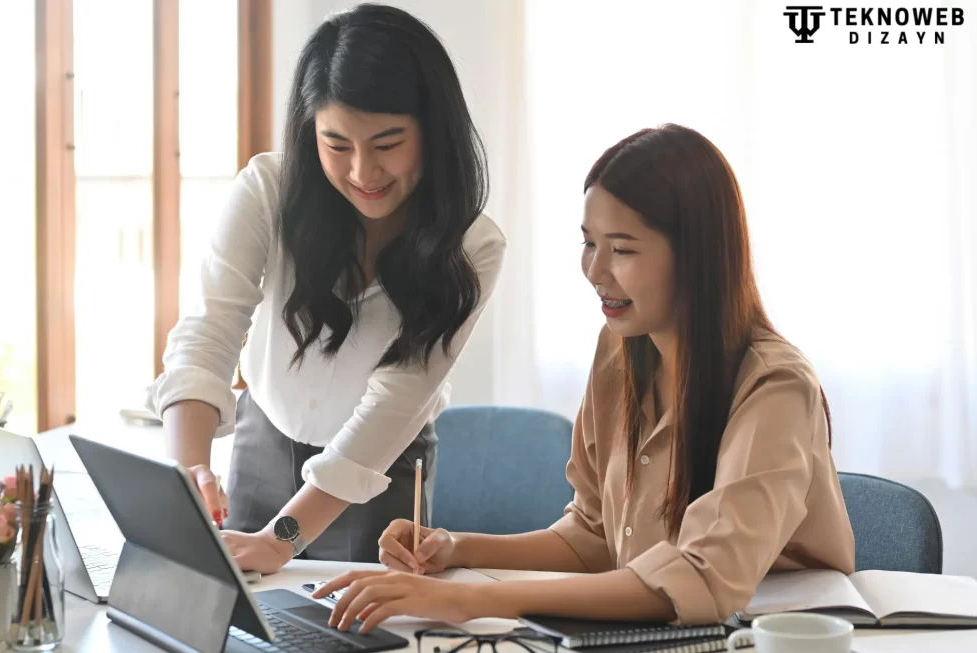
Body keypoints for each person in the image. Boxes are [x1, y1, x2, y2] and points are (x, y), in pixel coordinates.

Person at [312, 123, 856, 631]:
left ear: (697, 256)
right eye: (588, 243)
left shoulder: (775, 388)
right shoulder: (620, 351)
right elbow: (595, 537)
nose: (594, 271)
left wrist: (470, 600)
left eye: (621, 249)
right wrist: (456, 548)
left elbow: (704, 579)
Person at [145, 3, 505, 574]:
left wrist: (282, 538)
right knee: (241, 614)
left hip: (380, 463)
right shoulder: (268, 190)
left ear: (433, 132)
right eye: (337, 144)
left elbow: (395, 403)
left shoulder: (472, 247)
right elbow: (208, 332)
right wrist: (188, 471)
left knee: (359, 626)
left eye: (388, 143)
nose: (364, 171)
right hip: (264, 435)